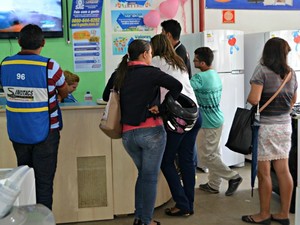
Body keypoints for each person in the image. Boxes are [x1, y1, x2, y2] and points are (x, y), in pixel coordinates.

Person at [102, 39, 183, 225]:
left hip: (128, 136)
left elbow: (107, 96)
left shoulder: (119, 74)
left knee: (143, 176)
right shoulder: (152, 73)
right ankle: (145, 221)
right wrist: (162, 107)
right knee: (149, 178)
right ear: (145, 54)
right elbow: (177, 86)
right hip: (151, 132)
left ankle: (140, 218)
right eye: (151, 52)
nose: (152, 56)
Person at [0, 24, 68, 210]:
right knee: (44, 184)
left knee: (24, 180)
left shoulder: (6, 64)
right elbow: (64, 89)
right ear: (43, 43)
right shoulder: (50, 65)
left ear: (19, 41)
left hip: (18, 132)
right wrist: (60, 94)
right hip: (47, 133)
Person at [241, 38, 297, 225]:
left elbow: (254, 99)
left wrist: (251, 96)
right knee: (283, 170)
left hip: (266, 127)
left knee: (264, 172)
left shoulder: (262, 71)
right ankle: (283, 214)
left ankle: (263, 214)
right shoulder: (291, 74)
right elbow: (292, 103)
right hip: (285, 126)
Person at [150, 34, 201, 217]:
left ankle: (182, 203)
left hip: (178, 117)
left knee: (166, 160)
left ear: (154, 48)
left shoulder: (156, 60)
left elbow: (149, 84)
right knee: (187, 160)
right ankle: (189, 203)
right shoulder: (178, 61)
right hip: (195, 113)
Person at [190, 47, 243, 197]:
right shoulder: (214, 74)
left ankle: (233, 177)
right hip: (217, 119)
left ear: (203, 62)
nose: (193, 62)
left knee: (207, 156)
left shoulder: (199, 78)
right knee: (214, 154)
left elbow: (184, 88)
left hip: (208, 123)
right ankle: (214, 184)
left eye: (195, 60)